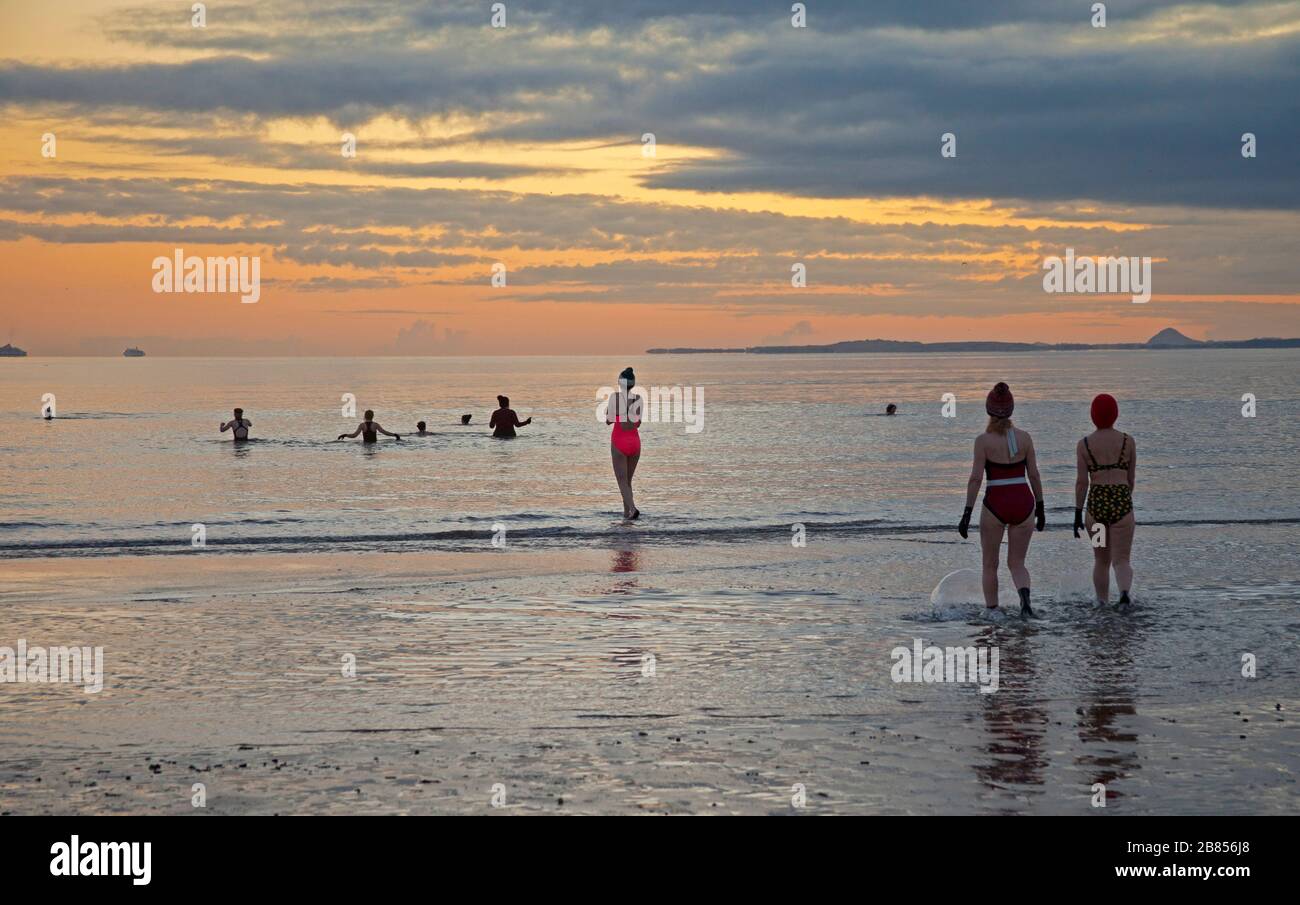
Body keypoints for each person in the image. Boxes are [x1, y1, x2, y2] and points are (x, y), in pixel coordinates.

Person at [957, 382, 1045, 617]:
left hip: (996, 503)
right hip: (1024, 502)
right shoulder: (1025, 438)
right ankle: (1025, 601)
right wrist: (1041, 506)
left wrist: (966, 513)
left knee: (990, 564)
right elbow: (1034, 475)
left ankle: (992, 611)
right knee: (1017, 563)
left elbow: (975, 479)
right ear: (1011, 409)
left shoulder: (983, 441)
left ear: (988, 409)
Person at [1074, 394, 1137, 610]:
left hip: (1097, 505)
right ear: (1115, 414)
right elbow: (1131, 481)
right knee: (1121, 559)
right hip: (1121, 502)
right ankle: (1125, 594)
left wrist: (1076, 512)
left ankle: (1101, 602)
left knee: (1101, 560)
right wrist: (1123, 500)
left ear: (1093, 415)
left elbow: (1082, 483)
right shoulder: (1128, 442)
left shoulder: (1084, 445)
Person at [606, 367, 641, 519]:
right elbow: (638, 423)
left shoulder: (615, 398)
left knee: (621, 481)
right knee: (627, 481)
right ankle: (627, 514)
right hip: (634, 441)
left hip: (619, 441)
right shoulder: (638, 398)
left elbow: (608, 420)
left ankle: (632, 509)